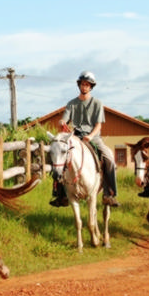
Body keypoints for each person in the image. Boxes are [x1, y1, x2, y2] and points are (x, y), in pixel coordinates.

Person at [49, 70, 120, 208]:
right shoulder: (71, 103)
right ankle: (60, 194)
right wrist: (62, 122)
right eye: (82, 84)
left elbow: (99, 125)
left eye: (87, 84)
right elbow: (65, 118)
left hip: (93, 137)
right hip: (75, 137)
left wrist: (90, 136)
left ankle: (109, 194)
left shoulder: (97, 103)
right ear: (79, 85)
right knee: (58, 156)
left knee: (109, 158)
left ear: (91, 86)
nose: (84, 87)